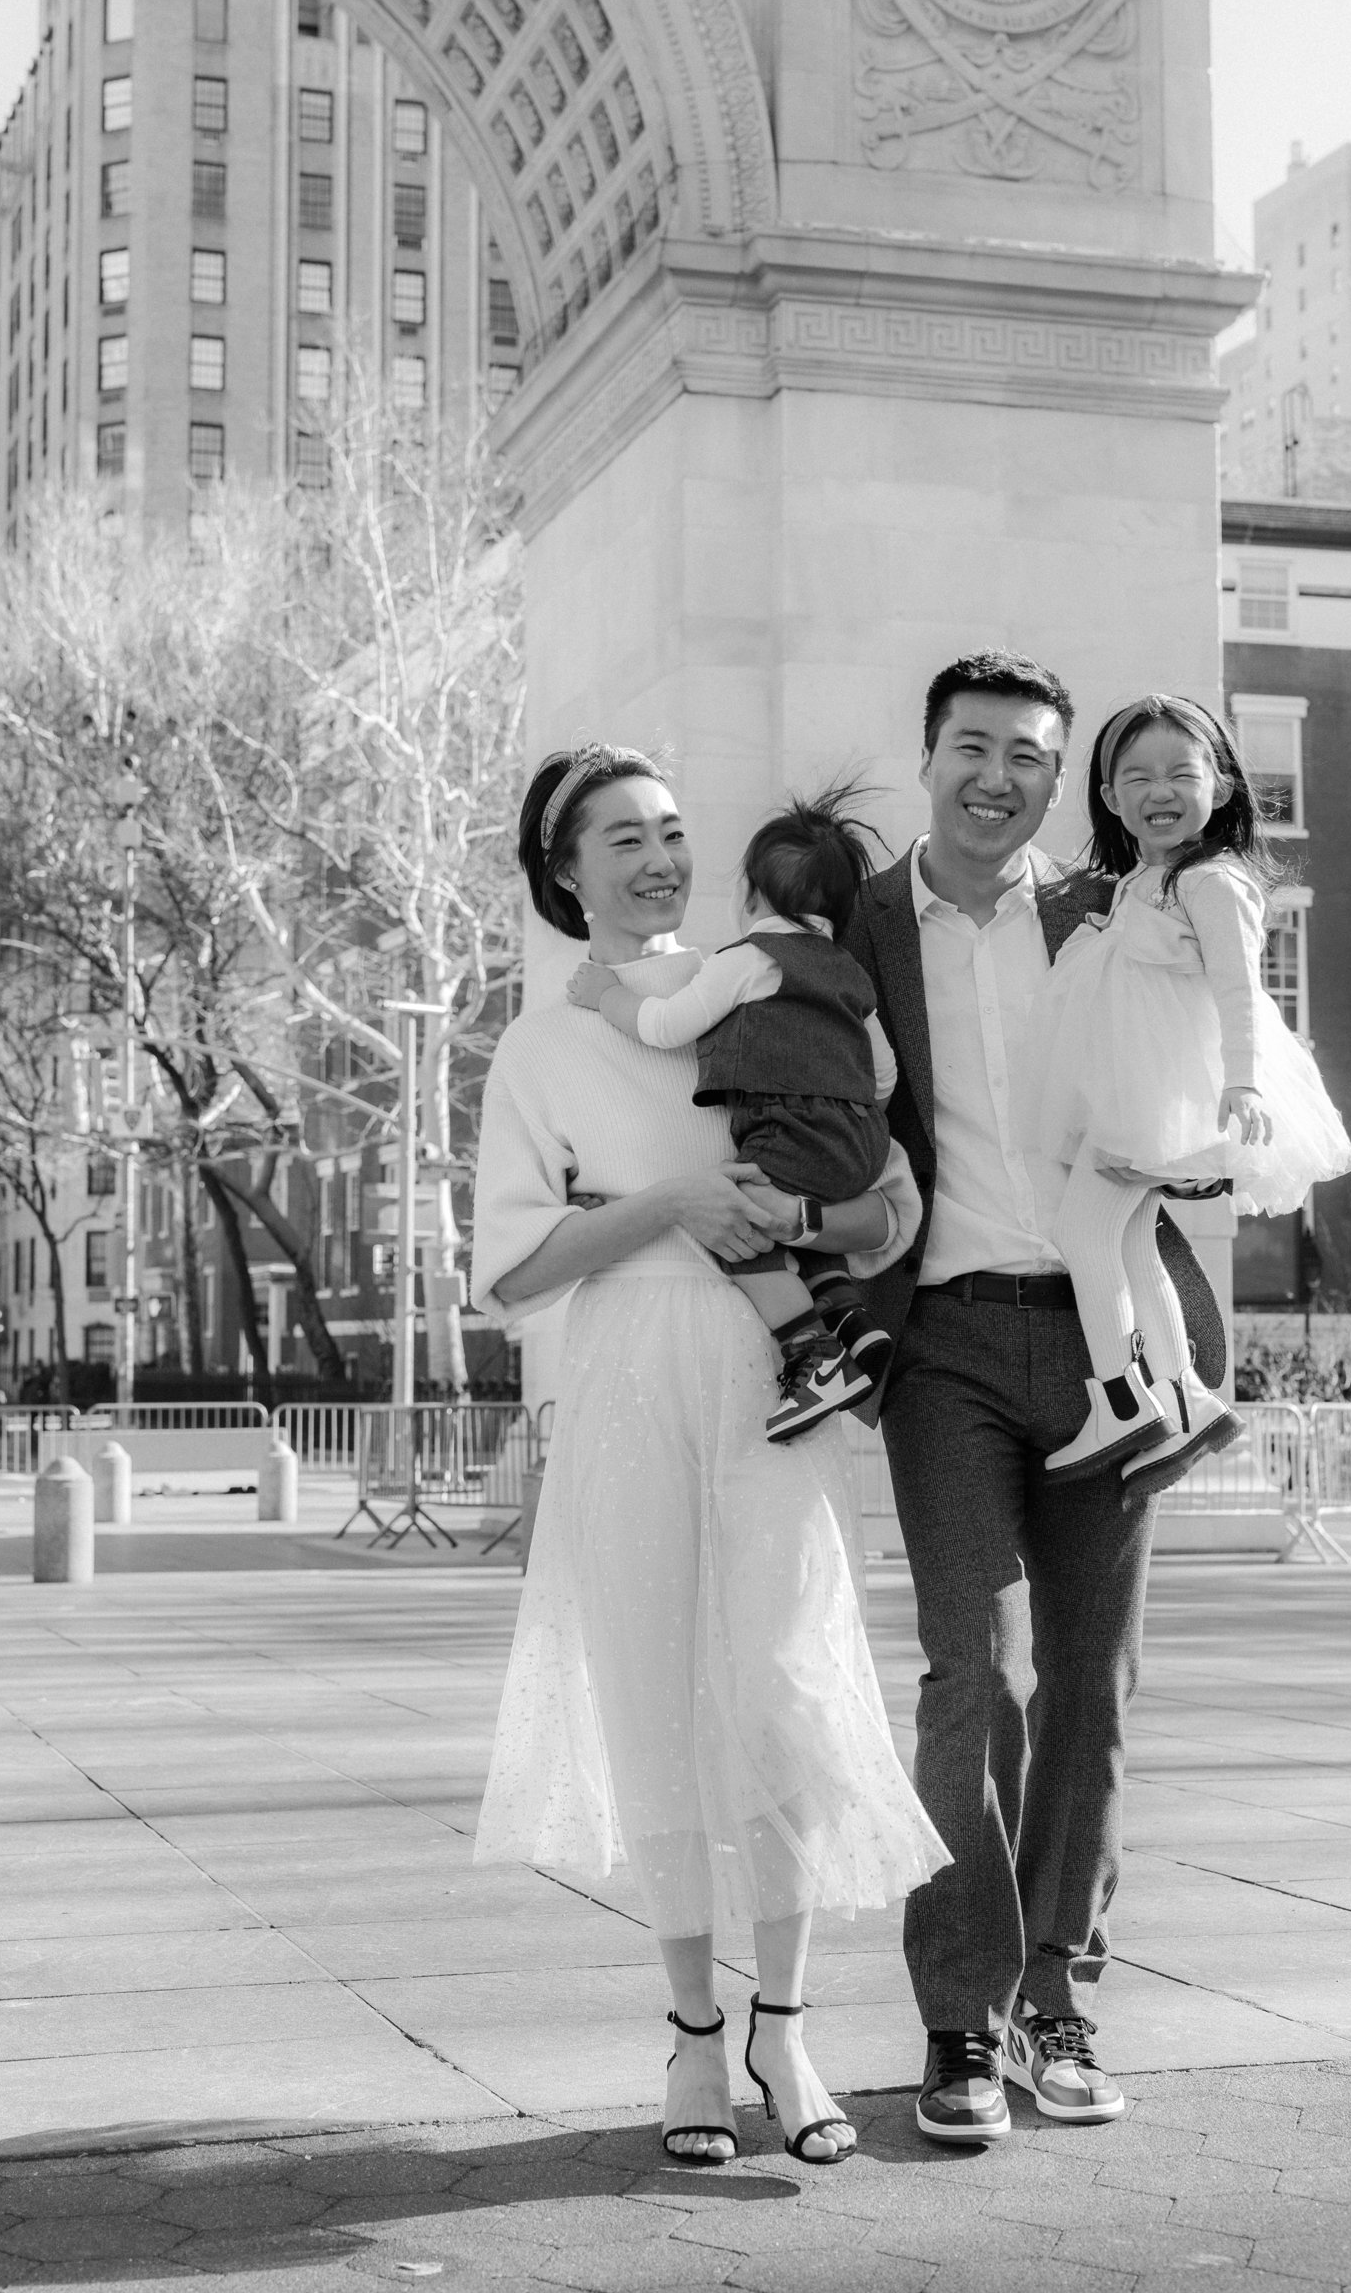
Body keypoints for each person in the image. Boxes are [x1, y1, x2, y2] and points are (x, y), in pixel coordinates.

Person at [472, 743, 951, 2169]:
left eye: (673, 830)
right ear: (567, 872)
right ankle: (692, 2034)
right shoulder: (545, 1040)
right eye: (620, 838)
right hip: (629, 1368)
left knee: (785, 1681)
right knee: (654, 1694)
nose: (656, 856)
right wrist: (672, 1201)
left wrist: (798, 1229)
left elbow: (894, 1205)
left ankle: (786, 2028)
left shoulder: (774, 976)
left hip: (773, 1372)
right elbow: (516, 1267)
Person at [842, 653, 1226, 2145]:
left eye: (1032, 759)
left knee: (1090, 1683)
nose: (1003, 778)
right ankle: (961, 2016)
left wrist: (1205, 1147)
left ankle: (1059, 1995)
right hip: (941, 1348)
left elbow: (1203, 1054)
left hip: (1106, 1337)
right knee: (970, 1678)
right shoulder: (858, 926)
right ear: (930, 753)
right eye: (977, 749)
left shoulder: (1105, 909)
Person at [1025, 697, 1351, 1482]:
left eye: (1182, 772)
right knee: (1130, 1238)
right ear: (1110, 797)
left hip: (1155, 1093)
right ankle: (1184, 1398)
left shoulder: (1212, 881)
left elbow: (1243, 991)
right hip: (1129, 1088)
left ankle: (1121, 1399)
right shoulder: (1149, 877)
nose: (1159, 791)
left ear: (1223, 786)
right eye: (1135, 777)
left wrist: (1243, 1083)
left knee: (1083, 1234)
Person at [565, 787, 917, 1443]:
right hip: (862, 1141)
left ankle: (814, 1357)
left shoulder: (750, 961)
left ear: (751, 895)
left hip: (793, 1134)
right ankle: (853, 1322)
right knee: (794, 1235)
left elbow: (667, 1025)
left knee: (738, 1232)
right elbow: (885, 1074)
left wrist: (608, 993)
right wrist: (848, 1111)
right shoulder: (849, 974)